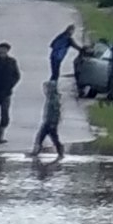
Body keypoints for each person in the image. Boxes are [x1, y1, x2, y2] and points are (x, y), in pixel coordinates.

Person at [35, 20, 79, 162]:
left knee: (47, 135)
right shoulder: (67, 38)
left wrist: (52, 121)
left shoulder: (62, 37)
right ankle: (57, 153)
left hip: (50, 122)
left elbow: (52, 45)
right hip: (50, 122)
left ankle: (52, 152)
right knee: (50, 136)